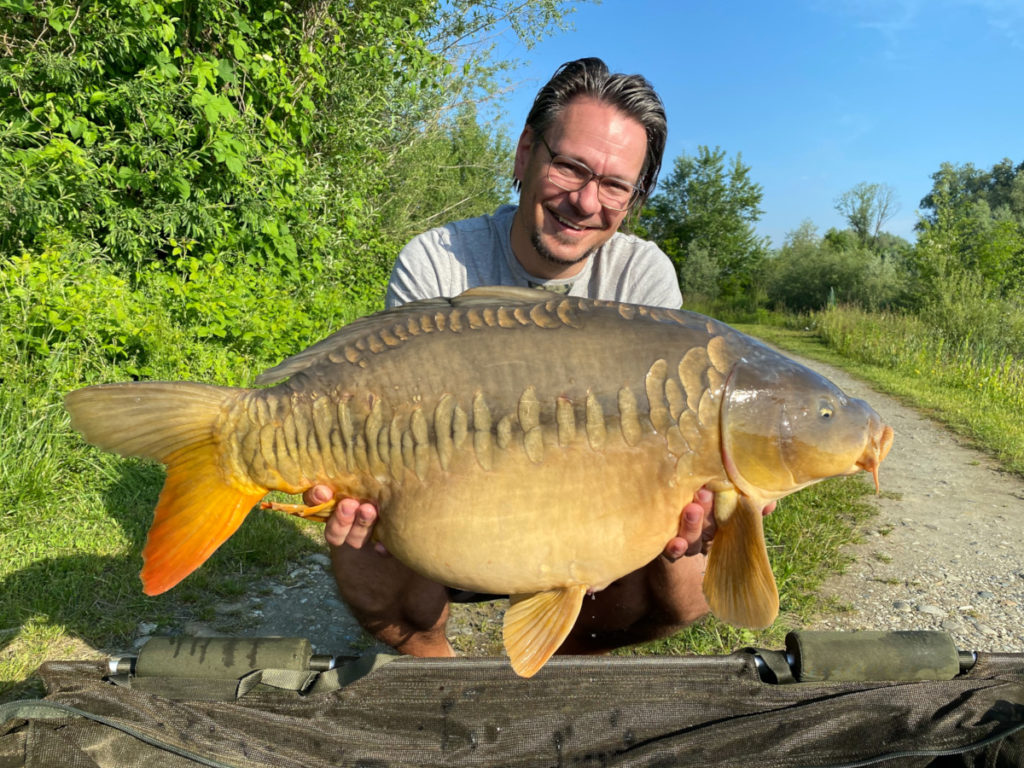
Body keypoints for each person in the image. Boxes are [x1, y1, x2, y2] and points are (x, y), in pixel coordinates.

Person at [305, 57, 769, 657]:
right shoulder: (436, 261)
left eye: (614, 185)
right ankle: (440, 679)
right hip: (442, 519)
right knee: (359, 543)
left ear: (633, 199)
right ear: (526, 153)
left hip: (583, 531)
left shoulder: (644, 278)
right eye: (570, 166)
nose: (584, 200)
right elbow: (391, 409)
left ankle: (548, 680)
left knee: (687, 581)